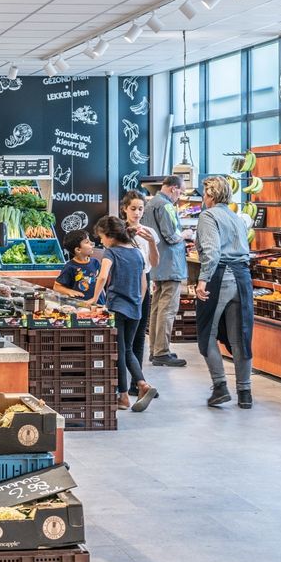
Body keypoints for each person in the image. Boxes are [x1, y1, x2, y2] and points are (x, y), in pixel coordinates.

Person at [195, 176, 254, 409]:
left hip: (220, 276)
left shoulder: (208, 216)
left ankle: (220, 387)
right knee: (240, 336)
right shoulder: (236, 217)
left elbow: (212, 252)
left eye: (204, 193)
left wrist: (202, 280)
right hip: (242, 278)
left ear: (209, 195)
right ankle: (245, 392)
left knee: (206, 333)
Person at [91, 216, 157, 413]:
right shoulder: (137, 252)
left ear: (110, 236)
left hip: (117, 308)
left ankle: (124, 396)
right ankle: (143, 384)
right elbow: (143, 282)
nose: (101, 242)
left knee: (118, 352)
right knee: (127, 349)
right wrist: (137, 300)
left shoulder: (110, 253)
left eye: (101, 237)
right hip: (135, 308)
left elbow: (103, 276)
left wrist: (94, 300)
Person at [142, 175, 192, 367]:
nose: (180, 196)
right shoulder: (166, 206)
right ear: (173, 188)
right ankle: (162, 351)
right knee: (168, 309)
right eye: (181, 191)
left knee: (157, 308)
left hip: (156, 263)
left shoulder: (150, 204)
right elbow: (171, 236)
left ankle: (155, 350)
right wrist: (186, 234)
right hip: (171, 264)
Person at [122, 190, 160, 376]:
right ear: (125, 209)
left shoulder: (149, 232)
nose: (137, 213)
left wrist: (152, 242)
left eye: (140, 209)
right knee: (122, 336)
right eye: (133, 208)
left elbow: (153, 262)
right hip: (123, 283)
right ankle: (124, 383)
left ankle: (138, 381)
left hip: (143, 281)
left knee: (139, 334)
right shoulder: (118, 231)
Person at [54, 229, 102, 303]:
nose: (91, 243)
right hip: (81, 306)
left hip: (99, 304)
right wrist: (69, 291)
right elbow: (57, 286)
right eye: (87, 242)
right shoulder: (70, 267)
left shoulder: (95, 262)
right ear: (78, 250)